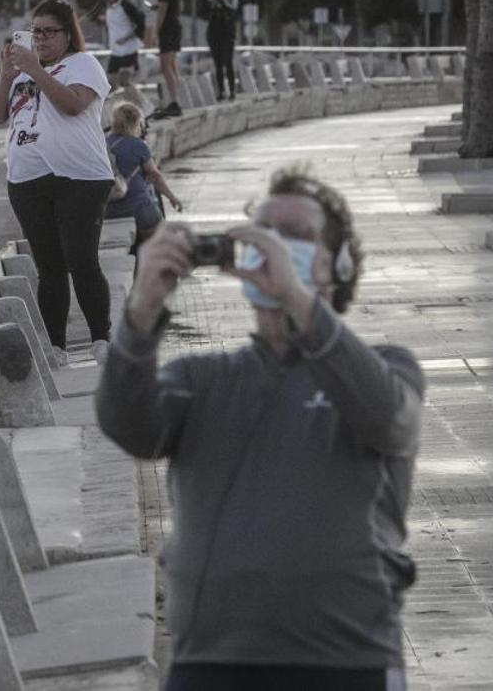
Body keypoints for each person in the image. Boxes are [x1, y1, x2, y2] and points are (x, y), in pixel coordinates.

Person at [96, 166, 424, 691]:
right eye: (263, 232)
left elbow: (388, 418)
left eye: (294, 237)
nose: (274, 246)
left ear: (336, 267)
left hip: (349, 662)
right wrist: (140, 312)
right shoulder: (201, 379)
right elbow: (129, 426)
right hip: (210, 663)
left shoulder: (388, 367)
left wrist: (301, 302)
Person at [0, 0, 114, 366]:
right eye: (34, 31)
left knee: (81, 259)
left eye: (48, 32)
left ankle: (101, 337)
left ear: (67, 35)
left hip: (80, 178)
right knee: (49, 267)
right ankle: (55, 345)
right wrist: (8, 75)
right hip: (27, 180)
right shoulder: (21, 72)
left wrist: (36, 70)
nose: (39, 39)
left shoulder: (83, 65)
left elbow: (73, 104)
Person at [104, 102, 183, 256]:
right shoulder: (138, 145)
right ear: (136, 121)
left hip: (111, 209)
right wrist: (173, 198)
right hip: (139, 207)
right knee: (161, 246)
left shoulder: (104, 144)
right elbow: (155, 176)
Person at [99, 0, 146, 90]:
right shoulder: (108, 7)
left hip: (129, 50)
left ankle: (143, 105)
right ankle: (121, 106)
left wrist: (126, 38)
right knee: (111, 83)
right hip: (116, 51)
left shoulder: (126, 6)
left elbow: (141, 23)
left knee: (125, 81)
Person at [155, 0, 185, 118]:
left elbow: (163, 8)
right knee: (172, 65)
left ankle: (174, 102)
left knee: (165, 65)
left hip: (168, 28)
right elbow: (174, 5)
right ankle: (176, 100)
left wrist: (156, 30)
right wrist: (157, 6)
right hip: (176, 25)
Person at [203, 0, 240, 101]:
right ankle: (221, 91)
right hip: (214, 34)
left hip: (228, 35)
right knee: (218, 64)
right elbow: (204, 11)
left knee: (228, 62)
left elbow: (231, 10)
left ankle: (232, 90)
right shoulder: (213, 0)